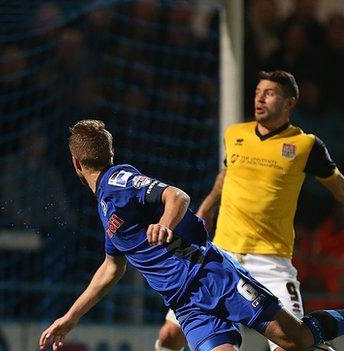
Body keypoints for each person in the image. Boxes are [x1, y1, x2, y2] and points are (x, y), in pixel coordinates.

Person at [38, 119, 344, 351]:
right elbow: (112, 267)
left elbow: (178, 196)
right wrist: (71, 317)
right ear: (110, 151)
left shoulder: (120, 180)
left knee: (295, 340)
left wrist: (165, 224)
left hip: (210, 276)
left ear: (76, 163)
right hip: (187, 304)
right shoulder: (106, 205)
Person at [156, 70, 344, 351]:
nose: (259, 99)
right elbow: (227, 176)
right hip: (221, 256)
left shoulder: (306, 145)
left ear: (289, 103)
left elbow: (339, 187)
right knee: (170, 336)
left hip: (271, 262)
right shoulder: (235, 134)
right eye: (257, 93)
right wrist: (205, 209)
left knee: (291, 344)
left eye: (269, 93)